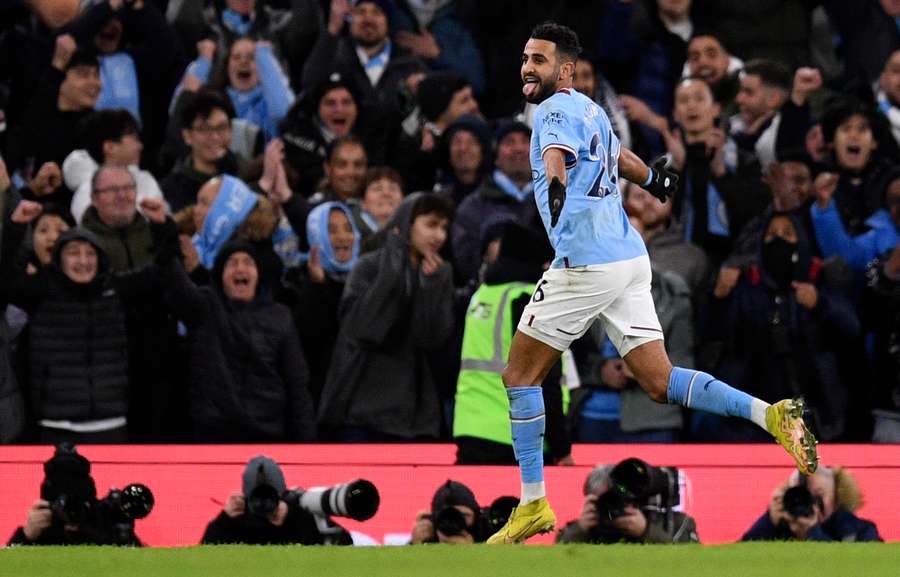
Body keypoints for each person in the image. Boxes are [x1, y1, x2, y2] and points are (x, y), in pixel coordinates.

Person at [487, 22, 818, 545]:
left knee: (519, 376)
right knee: (659, 381)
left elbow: (556, 160)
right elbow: (619, 158)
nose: (528, 67)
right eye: (525, 58)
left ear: (565, 70)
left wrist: (553, 187)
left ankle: (532, 503)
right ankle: (770, 413)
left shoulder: (551, 112)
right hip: (628, 256)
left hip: (586, 263)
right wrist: (653, 180)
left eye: (539, 60)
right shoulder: (591, 109)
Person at [317, 192, 455, 441]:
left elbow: (432, 340)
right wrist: (393, 266)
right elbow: (362, 329)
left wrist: (430, 287)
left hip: (415, 420)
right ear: (407, 223)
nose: (439, 236)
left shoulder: (439, 274)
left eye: (444, 228)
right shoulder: (368, 266)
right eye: (431, 224)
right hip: (360, 413)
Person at [453, 221, 570, 465]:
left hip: (470, 430)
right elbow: (542, 378)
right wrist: (561, 446)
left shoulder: (482, 295)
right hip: (517, 437)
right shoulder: (529, 301)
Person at [8, 443, 149, 546]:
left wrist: (123, 534)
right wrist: (26, 536)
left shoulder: (100, 518)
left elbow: (145, 566)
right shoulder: (44, 528)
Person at [201, 455, 351, 545]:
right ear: (246, 498)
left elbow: (344, 544)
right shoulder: (236, 521)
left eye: (270, 497)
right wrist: (224, 520)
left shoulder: (299, 516)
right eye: (258, 498)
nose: (264, 504)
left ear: (283, 496)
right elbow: (203, 560)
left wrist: (295, 517)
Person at [63, 108, 165, 224]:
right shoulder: (87, 193)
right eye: (134, 139)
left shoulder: (146, 181)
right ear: (110, 147)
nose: (140, 147)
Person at [556, 462, 699, 544]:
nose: (610, 507)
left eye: (614, 499)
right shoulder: (583, 530)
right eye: (603, 501)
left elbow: (696, 564)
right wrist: (579, 531)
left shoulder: (676, 524)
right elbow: (554, 563)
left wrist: (647, 532)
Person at [742, 466, 882, 542]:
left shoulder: (860, 531)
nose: (809, 502)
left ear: (837, 498)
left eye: (818, 496)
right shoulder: (777, 528)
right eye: (802, 494)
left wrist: (813, 533)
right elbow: (737, 563)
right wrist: (769, 522)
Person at [409, 480, 494, 544]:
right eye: (447, 516)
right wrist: (416, 544)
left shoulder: (487, 530)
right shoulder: (429, 533)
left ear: (476, 516)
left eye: (463, 515)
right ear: (434, 519)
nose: (454, 520)